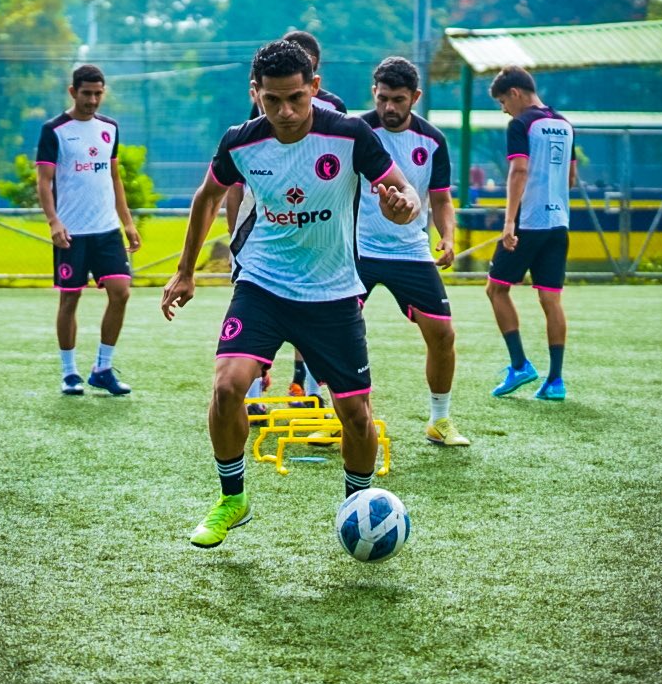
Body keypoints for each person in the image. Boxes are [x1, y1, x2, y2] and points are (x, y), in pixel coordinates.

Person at [161, 38, 420, 549]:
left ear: (315, 89)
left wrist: (404, 207)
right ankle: (232, 498)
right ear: (255, 93)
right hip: (263, 282)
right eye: (272, 100)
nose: (285, 111)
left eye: (297, 99)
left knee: (355, 415)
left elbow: (403, 188)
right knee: (227, 386)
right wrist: (185, 271)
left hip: (333, 293)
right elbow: (207, 196)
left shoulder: (350, 135)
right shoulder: (240, 141)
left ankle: (358, 503)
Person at [227, 29, 346, 407]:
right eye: (272, 98)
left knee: (312, 309)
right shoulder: (263, 111)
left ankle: (307, 388)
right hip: (266, 216)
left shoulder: (336, 113)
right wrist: (234, 233)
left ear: (314, 76)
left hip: (316, 227)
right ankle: (254, 387)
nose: (286, 109)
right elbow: (231, 176)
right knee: (256, 303)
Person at [355, 57, 470, 447]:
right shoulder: (355, 132)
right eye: (383, 98)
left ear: (415, 98)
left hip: (411, 250)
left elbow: (441, 198)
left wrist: (448, 237)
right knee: (330, 330)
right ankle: (333, 414)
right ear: (374, 92)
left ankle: (439, 419)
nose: (389, 107)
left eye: (398, 100)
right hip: (357, 249)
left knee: (442, 333)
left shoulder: (433, 141)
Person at [36, 64, 141, 396]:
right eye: (86, 93)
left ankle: (103, 368)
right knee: (70, 300)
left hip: (107, 229)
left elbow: (114, 178)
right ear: (72, 92)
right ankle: (69, 372)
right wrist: (54, 221)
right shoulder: (54, 130)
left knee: (121, 292)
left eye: (98, 93)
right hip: (72, 233)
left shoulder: (109, 128)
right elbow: (44, 181)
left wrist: (127, 222)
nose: (93, 100)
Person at [485, 65, 576, 400]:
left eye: (502, 102)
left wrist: (509, 223)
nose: (503, 110)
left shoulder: (521, 124)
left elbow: (519, 169)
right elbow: (570, 179)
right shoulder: (565, 125)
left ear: (515, 93)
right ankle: (555, 381)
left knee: (496, 290)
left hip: (528, 224)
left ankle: (520, 364)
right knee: (551, 300)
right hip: (559, 223)